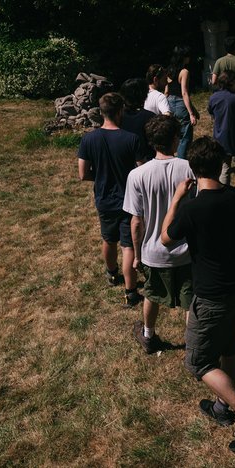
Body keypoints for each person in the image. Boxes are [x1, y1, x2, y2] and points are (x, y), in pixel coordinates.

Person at [160, 136, 235, 453]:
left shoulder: (192, 208)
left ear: (193, 170)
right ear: (222, 165)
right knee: (228, 349)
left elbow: (166, 239)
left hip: (210, 296)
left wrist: (177, 199)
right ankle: (222, 408)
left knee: (198, 362)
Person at [124, 115, 195, 354]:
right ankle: (193, 344)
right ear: (175, 139)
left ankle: (148, 335)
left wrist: (136, 254)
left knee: (152, 295)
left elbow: (136, 222)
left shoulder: (137, 175)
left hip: (154, 251)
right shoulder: (189, 169)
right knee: (190, 300)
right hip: (186, 250)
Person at [77, 92, 145, 307]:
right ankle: (131, 291)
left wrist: (97, 177)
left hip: (104, 199)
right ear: (119, 112)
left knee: (108, 239)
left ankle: (111, 273)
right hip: (128, 200)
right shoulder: (131, 139)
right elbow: (142, 170)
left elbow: (82, 173)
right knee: (128, 246)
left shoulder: (89, 139)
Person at [208, 70, 235, 189]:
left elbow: (211, 112)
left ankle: (223, 192)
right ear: (231, 83)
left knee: (225, 168)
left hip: (220, 137)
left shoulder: (213, 97)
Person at [165, 46, 199, 159]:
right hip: (180, 103)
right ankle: (182, 161)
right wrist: (191, 113)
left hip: (170, 102)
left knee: (174, 134)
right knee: (185, 136)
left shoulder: (168, 70)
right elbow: (184, 93)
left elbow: (166, 91)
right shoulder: (184, 72)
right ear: (184, 57)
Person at [119, 77, 156, 161]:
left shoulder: (117, 116)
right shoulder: (151, 117)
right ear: (144, 95)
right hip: (146, 162)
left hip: (121, 160)